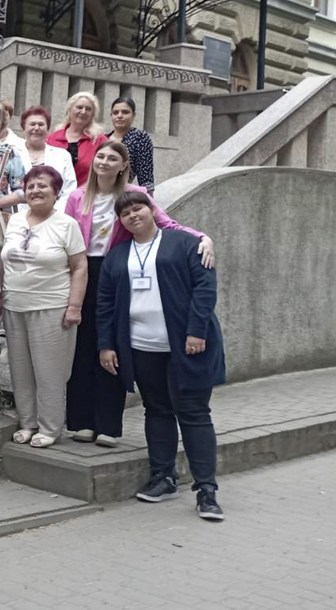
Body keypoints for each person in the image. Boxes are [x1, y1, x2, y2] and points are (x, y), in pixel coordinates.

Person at [65, 140, 213, 447]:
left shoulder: (136, 195)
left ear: (123, 166)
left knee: (112, 346)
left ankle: (107, 424)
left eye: (112, 158)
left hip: (119, 270)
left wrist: (202, 237)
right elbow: (66, 237)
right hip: (82, 272)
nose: (105, 162)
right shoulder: (77, 196)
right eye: (101, 156)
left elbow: (167, 224)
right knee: (83, 347)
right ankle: (82, 421)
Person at [98, 191, 226, 521]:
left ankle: (206, 490)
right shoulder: (118, 255)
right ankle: (164, 477)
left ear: (153, 210)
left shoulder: (183, 243)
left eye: (138, 207)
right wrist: (106, 345)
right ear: (121, 221)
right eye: (124, 212)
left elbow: (205, 287)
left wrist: (197, 330)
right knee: (156, 411)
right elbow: (106, 305)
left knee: (194, 413)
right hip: (142, 348)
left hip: (188, 347)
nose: (132, 215)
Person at [1, 166, 87, 449]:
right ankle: (28, 422)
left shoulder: (66, 224)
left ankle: (50, 427)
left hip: (51, 306)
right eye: (31, 186)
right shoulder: (14, 221)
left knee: (49, 371)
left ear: (56, 192)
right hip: (15, 305)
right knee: (21, 370)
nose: (36, 190)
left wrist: (74, 306)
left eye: (43, 186)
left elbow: (79, 267)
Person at [20, 106, 77, 212]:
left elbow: (69, 190)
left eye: (41, 124)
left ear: (47, 128)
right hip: (19, 215)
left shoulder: (62, 155)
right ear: (23, 128)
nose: (36, 128)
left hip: (54, 215)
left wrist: (53, 213)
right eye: (32, 124)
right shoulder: (11, 153)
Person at [47, 91, 108, 186]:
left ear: (93, 115)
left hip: (86, 195)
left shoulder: (100, 141)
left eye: (88, 109)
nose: (83, 112)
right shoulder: (53, 138)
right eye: (79, 107)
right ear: (69, 110)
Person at [108, 97, 155, 192]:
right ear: (111, 115)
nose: (119, 116)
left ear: (133, 115)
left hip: (121, 194)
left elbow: (145, 175)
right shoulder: (103, 138)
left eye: (125, 112)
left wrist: (149, 201)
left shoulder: (139, 137)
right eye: (115, 112)